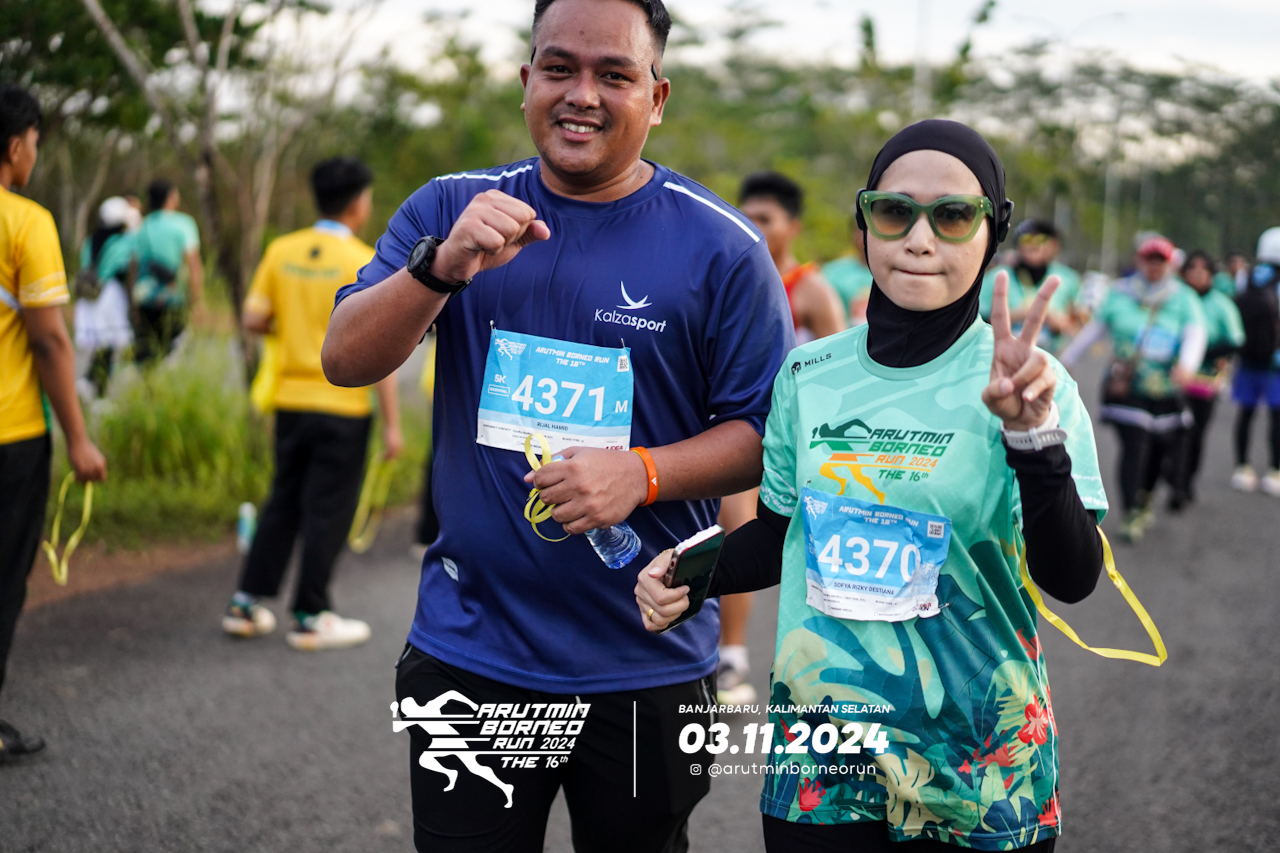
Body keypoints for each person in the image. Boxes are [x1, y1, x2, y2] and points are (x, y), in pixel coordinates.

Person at [321, 1, 794, 850]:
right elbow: (345, 357)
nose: (582, 94)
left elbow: (765, 433)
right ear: (526, 79)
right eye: (559, 68)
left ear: (657, 97)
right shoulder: (450, 208)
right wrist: (442, 269)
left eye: (614, 74)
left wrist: (641, 472)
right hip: (473, 653)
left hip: (646, 660)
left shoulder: (724, 247)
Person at [638, 119, 1108, 851]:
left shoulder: (1030, 384)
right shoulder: (808, 374)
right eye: (894, 211)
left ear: (993, 230)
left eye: (953, 216)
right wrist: (689, 573)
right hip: (822, 768)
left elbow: (1072, 578)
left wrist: (1034, 440)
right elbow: (783, 534)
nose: (919, 239)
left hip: (977, 767)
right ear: (864, 224)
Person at [221, 157, 403, 650]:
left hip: (291, 400)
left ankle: (245, 603)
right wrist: (392, 426)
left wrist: (292, 323)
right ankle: (310, 613)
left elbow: (253, 318)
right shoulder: (367, 259)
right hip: (343, 406)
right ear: (359, 203)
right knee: (329, 509)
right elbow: (381, 349)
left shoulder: (282, 250)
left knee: (282, 499)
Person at [0, 83, 108, 761]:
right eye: (36, 142)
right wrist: (79, 438)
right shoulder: (25, 222)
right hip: (10, 435)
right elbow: (48, 340)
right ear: (16, 147)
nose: (34, 154)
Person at [717, 172, 845, 706]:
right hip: (725, 428)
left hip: (782, 444)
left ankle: (734, 657)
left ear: (792, 226)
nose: (753, 226)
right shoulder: (730, 277)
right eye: (745, 216)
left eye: (765, 219)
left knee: (740, 526)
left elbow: (843, 374)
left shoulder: (812, 289)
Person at [1061, 236, 1205, 541]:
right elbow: (1096, 329)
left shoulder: (1183, 297)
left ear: (1169, 264)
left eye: (1160, 260)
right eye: (1149, 259)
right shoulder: (1119, 293)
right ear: (1140, 261)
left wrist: (1188, 365)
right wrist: (1067, 359)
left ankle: (1145, 495)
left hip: (1165, 387)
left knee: (1159, 447)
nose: (1154, 266)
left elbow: (1195, 332)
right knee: (1135, 444)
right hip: (1126, 384)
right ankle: (1131, 510)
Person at [1175, 250, 1243, 501]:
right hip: (1173, 377)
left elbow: (1236, 340)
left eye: (1202, 269)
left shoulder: (1221, 304)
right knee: (1171, 430)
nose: (1196, 274)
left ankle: (1186, 481)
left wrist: (1203, 354)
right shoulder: (1174, 298)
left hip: (1204, 378)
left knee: (1195, 432)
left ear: (1211, 275)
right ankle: (1172, 475)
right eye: (1191, 269)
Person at [1229, 227, 1280, 496]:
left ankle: (1242, 467)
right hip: (1275, 365)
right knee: (1276, 418)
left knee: (1245, 414)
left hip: (1246, 360)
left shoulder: (1246, 277)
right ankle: (1275, 470)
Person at [979, 219, 1081, 351]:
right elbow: (977, 320)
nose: (1034, 245)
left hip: (1051, 354)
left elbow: (1081, 326)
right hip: (1000, 351)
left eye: (1041, 239)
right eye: (1027, 239)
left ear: (1053, 245)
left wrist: (1060, 324)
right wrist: (1015, 316)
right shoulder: (997, 277)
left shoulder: (1068, 279)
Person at [132, 178, 203, 362]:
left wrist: (132, 302)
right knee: (173, 353)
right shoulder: (183, 224)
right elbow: (193, 264)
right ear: (170, 197)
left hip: (144, 298)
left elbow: (134, 266)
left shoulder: (142, 225)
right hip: (174, 297)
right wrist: (195, 298)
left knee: (146, 353)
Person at [74, 196, 138, 397]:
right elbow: (126, 269)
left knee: (101, 344)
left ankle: (89, 382)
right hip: (110, 296)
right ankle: (97, 389)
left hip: (91, 296)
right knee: (109, 344)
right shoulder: (120, 242)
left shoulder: (91, 241)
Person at [823, 207, 875, 325]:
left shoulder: (895, 272)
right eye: (860, 229)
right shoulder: (831, 273)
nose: (865, 235)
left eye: (871, 229)